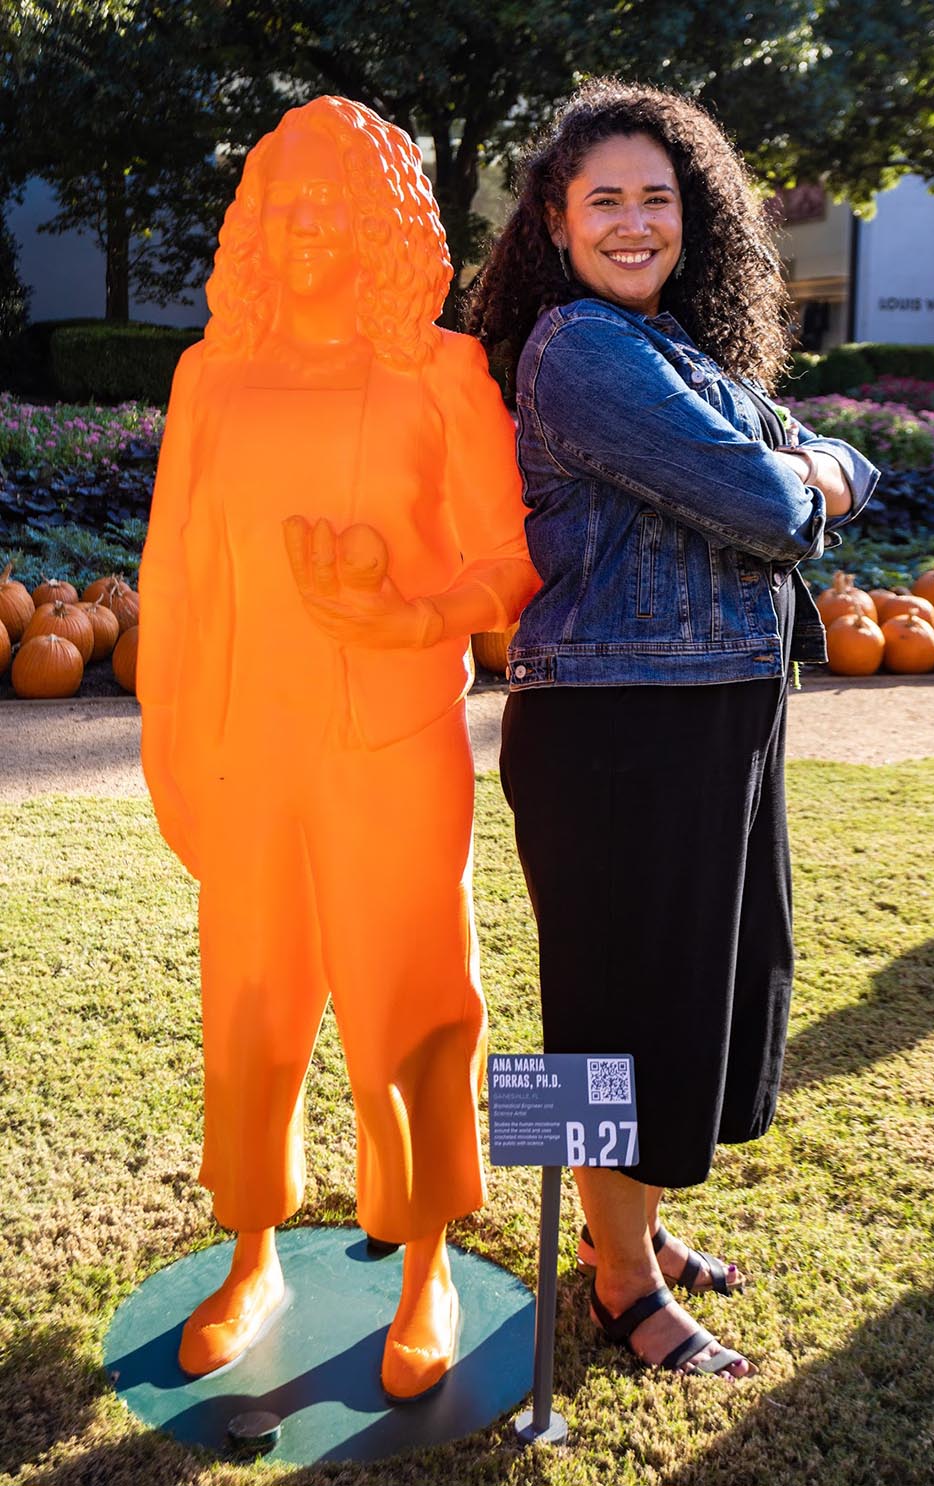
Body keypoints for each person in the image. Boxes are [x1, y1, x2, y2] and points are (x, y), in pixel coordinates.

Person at [466, 79, 878, 1380]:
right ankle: (618, 1278)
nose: (636, 223)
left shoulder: (678, 351)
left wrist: (812, 470)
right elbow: (769, 496)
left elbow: (832, 459)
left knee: (688, 1000)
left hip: (713, 723)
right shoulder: (579, 349)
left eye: (659, 197)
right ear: (556, 215)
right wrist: (804, 476)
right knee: (613, 1012)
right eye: (607, 201)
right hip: (615, 736)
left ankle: (631, 1231)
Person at [137, 95, 537, 1401]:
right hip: (248, 742)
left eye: (334, 204)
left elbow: (509, 562)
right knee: (248, 1003)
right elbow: (178, 577)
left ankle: (422, 1259)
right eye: (283, 204)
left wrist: (404, 608)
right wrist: (170, 743)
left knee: (407, 1003)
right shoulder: (212, 374)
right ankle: (250, 1251)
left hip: (392, 747)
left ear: (383, 224)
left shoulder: (438, 373)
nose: (309, 227)